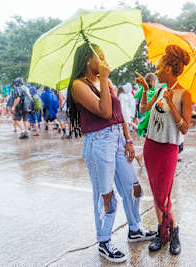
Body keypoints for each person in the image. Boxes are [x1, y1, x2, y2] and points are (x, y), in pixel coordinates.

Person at [67, 43, 156, 263]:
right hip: (99, 143)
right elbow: (104, 111)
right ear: (89, 59)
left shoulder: (104, 82)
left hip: (117, 139)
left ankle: (135, 229)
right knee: (106, 196)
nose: (105, 61)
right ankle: (104, 241)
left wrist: (128, 140)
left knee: (133, 187)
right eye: (101, 57)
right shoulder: (78, 86)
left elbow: (117, 114)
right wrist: (105, 80)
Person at [136, 45, 193, 255]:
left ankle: (174, 231)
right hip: (151, 145)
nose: (157, 68)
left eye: (160, 65)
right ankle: (163, 233)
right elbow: (143, 109)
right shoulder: (159, 89)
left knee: (163, 195)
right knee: (155, 190)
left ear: (170, 67)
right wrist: (144, 89)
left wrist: (171, 103)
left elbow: (185, 127)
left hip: (169, 148)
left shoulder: (184, 94)